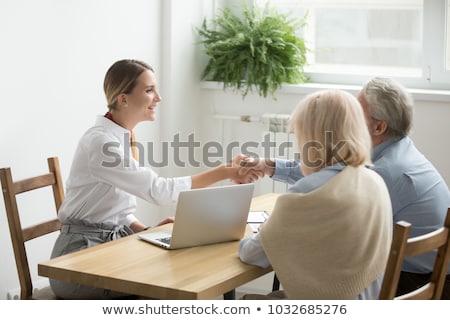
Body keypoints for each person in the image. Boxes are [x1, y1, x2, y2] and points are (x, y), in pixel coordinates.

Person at [50, 59, 259, 299]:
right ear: (123, 99)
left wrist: (146, 230)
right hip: (79, 262)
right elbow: (159, 191)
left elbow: (115, 211)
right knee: (172, 286)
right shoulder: (101, 144)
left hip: (109, 248)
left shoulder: (119, 137)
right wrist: (225, 171)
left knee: (183, 273)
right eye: (149, 90)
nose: (158, 98)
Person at [241, 77, 450, 299]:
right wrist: (269, 166)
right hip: (419, 275)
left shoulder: (382, 172)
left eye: (356, 113)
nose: (347, 118)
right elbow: (331, 175)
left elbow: (327, 183)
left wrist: (277, 229)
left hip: (410, 283)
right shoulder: (396, 155)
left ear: (379, 127)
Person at [239, 89, 393, 299]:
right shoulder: (374, 180)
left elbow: (251, 254)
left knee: (247, 301)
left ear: (312, 137)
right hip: (369, 302)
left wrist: (266, 230)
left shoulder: (306, 193)